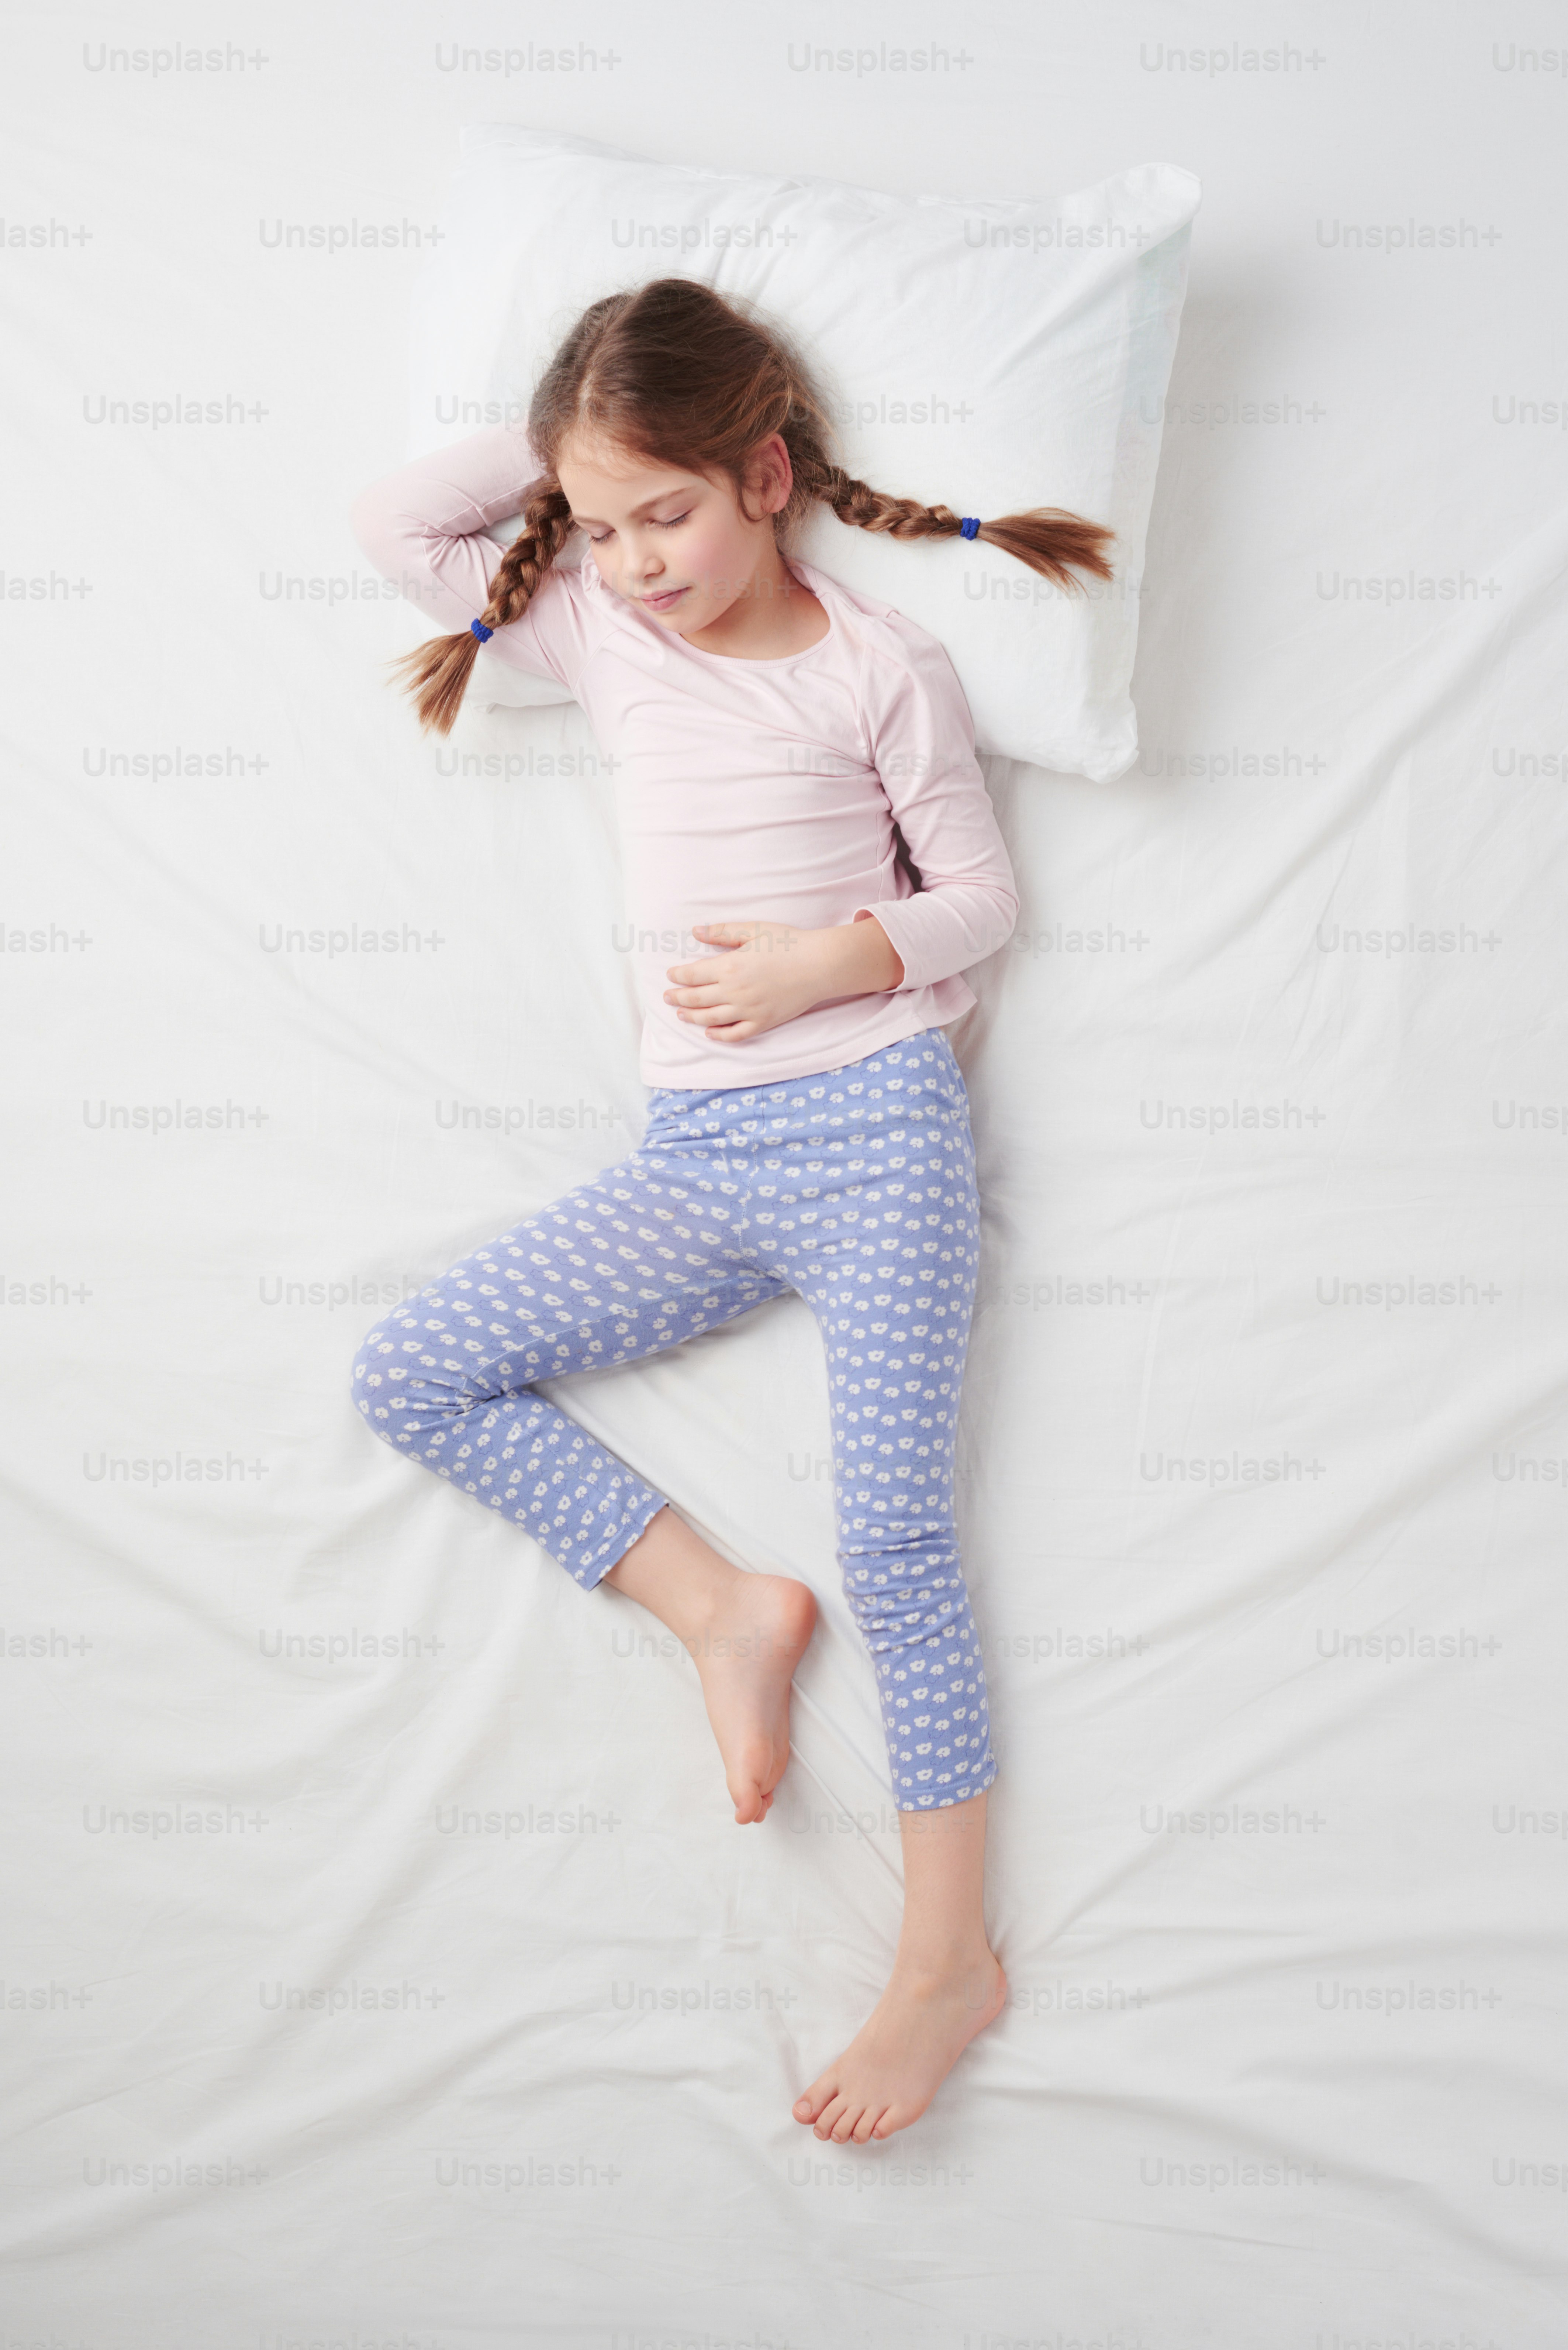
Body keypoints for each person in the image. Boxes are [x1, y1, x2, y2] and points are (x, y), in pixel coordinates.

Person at [347, 277, 1114, 2144]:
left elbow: (979, 899)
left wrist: (822, 967)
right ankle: (716, 1607)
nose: (632, 561)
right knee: (415, 1368)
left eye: (667, 512)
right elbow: (398, 527)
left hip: (874, 1139)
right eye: (597, 527)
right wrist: (577, 425)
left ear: (767, 475)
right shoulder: (605, 638)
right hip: (694, 1164)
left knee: (902, 1545)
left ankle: (947, 1959)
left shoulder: (877, 665)